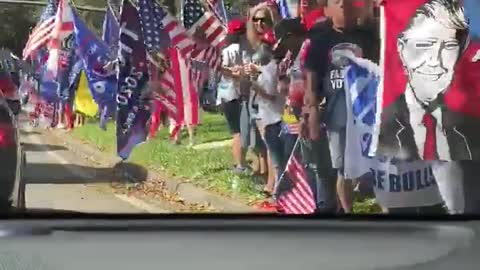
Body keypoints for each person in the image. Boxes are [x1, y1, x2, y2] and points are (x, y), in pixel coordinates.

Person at [377, 0, 480, 161]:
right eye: (424, 44)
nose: (435, 61)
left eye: (449, 46)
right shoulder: (387, 121)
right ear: (401, 48)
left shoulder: (468, 125)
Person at [303, 0, 378, 213]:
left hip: (368, 113)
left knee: (375, 163)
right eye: (337, 2)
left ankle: (384, 207)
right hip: (338, 116)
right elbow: (311, 80)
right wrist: (312, 113)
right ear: (327, 10)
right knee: (342, 168)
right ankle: (347, 211)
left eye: (348, 2)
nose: (344, 5)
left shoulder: (369, 36)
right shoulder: (320, 41)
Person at [218, 19, 249, 173]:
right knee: (240, 131)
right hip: (238, 92)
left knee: (236, 130)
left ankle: (239, 163)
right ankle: (240, 164)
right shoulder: (244, 49)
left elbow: (221, 69)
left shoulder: (226, 50)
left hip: (225, 93)